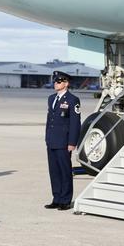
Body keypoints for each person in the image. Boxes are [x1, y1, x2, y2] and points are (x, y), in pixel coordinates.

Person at [44, 71, 80, 210]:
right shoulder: (51, 98)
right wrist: (47, 137)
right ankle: (57, 198)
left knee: (65, 171)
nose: (55, 84)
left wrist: (72, 142)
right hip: (52, 140)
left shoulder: (72, 100)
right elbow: (50, 120)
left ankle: (65, 200)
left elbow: (75, 123)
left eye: (58, 82)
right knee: (54, 171)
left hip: (64, 142)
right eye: (55, 81)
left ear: (66, 83)